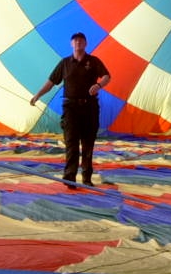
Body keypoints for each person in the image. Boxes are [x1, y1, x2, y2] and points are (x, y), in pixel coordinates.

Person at [30, 32, 111, 188]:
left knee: (88, 144)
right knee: (71, 143)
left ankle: (87, 178)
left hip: (90, 107)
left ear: (86, 44)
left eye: (81, 40)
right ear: (71, 44)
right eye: (75, 41)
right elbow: (51, 82)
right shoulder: (64, 63)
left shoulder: (93, 61)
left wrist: (99, 85)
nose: (78, 43)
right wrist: (38, 95)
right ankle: (69, 178)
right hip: (71, 108)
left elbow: (107, 76)